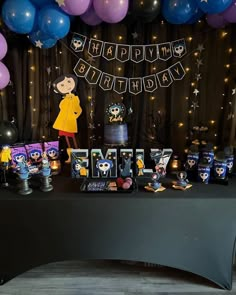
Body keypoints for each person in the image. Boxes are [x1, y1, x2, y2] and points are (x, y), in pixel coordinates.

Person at [53, 74, 82, 149]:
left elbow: (78, 109)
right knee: (66, 138)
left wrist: (74, 117)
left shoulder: (75, 98)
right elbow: (61, 107)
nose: (66, 86)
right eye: (62, 85)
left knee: (71, 137)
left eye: (69, 81)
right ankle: (71, 154)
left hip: (69, 122)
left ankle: (76, 152)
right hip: (63, 122)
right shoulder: (64, 100)